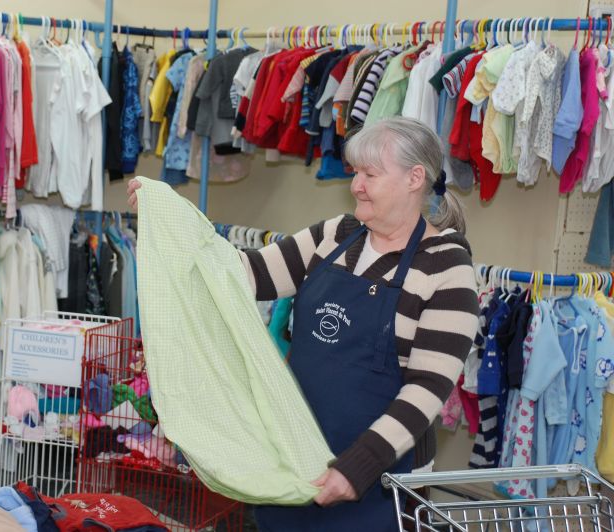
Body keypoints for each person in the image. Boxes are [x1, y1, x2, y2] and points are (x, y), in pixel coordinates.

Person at [127, 116, 479, 531]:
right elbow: (245, 274)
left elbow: (427, 390)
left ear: (414, 178)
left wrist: (357, 467)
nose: (356, 185)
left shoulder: (447, 268)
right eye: (355, 172)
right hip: (294, 469)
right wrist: (170, 218)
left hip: (381, 483)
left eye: (370, 174)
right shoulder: (337, 235)